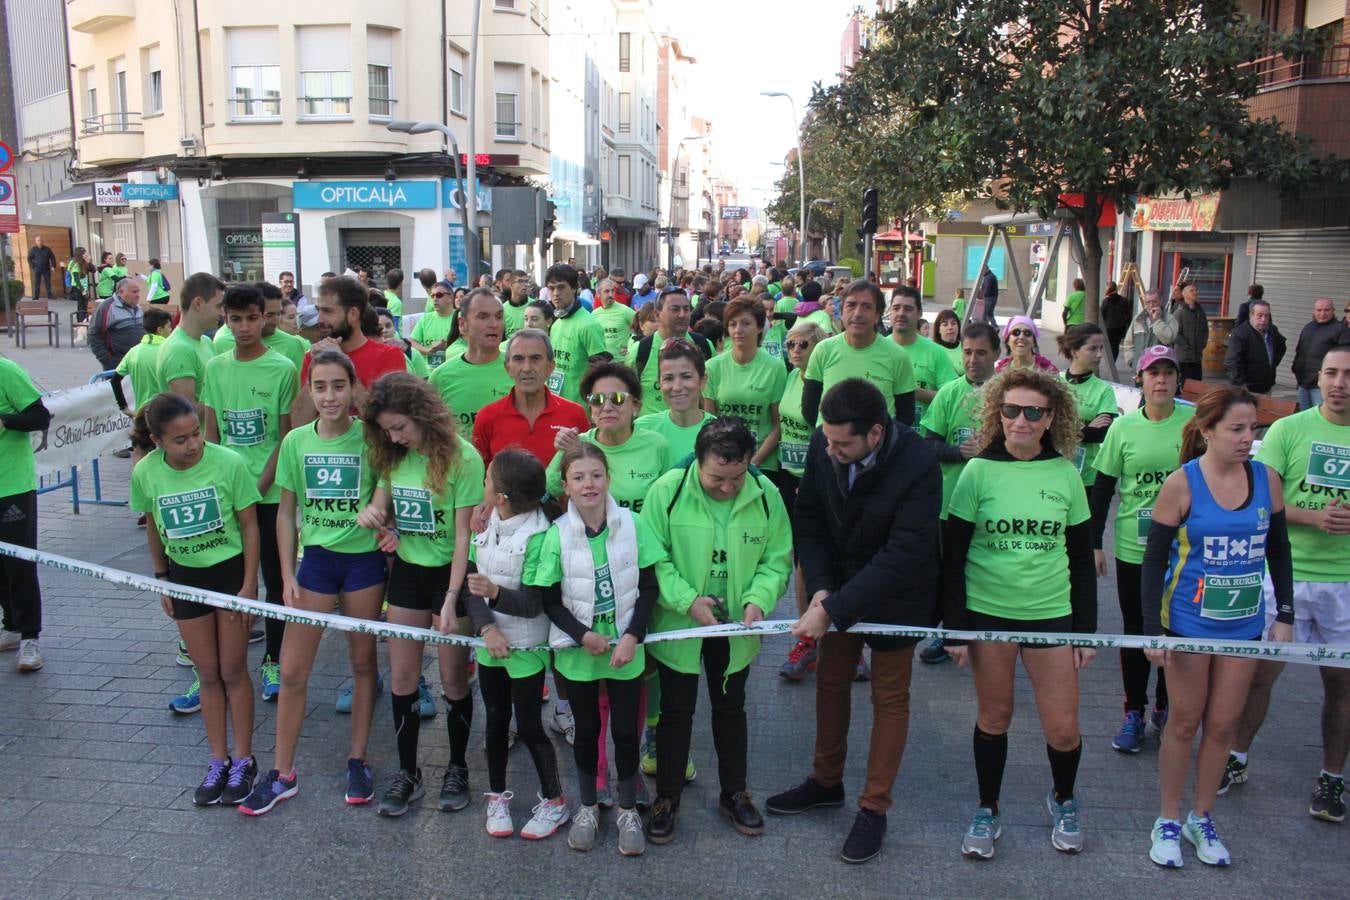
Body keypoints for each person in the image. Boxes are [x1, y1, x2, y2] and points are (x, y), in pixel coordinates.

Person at [768, 378, 941, 864]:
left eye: (843, 443)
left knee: (889, 696)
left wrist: (833, 609)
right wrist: (821, 588)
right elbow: (810, 521)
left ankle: (874, 807)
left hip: (898, 594)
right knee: (831, 680)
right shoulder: (827, 445)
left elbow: (905, 553)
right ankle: (825, 782)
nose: (831, 449)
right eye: (827, 438)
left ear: (877, 434)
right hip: (839, 586)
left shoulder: (919, 462)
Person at [942, 367, 1096, 859]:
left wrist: (1086, 633)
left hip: (1052, 615)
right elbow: (954, 555)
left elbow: (1081, 558)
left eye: (1034, 412)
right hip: (989, 614)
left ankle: (1064, 798)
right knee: (994, 717)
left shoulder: (1065, 472)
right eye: (1012, 410)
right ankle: (988, 808)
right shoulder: (977, 471)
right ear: (998, 414)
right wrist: (956, 630)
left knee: (1062, 727)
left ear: (1051, 418)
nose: (1022, 420)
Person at [1139, 385, 1294, 867]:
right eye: (1237, 429)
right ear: (1207, 431)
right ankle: (1166, 818)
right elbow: (1153, 559)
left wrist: (1284, 613)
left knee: (1223, 725)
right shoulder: (1182, 484)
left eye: (1254, 429)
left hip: (1243, 626)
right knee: (1184, 722)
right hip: (1188, 623)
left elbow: (1279, 548)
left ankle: (1200, 817)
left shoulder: (1267, 480)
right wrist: (1151, 631)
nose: (1249, 438)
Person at [237, 349, 388, 814]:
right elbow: (285, 512)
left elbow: (387, 496)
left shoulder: (372, 438)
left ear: (354, 388)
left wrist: (380, 512)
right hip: (315, 564)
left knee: (363, 665)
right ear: (308, 389)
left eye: (338, 386)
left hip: (363, 565)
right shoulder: (296, 442)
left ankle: (357, 760)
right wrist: (285, 573)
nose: (329, 396)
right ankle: (283, 772)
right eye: (320, 387)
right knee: (291, 670)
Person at [641, 417, 792, 844]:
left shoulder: (767, 495)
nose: (727, 487)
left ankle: (734, 792)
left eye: (737, 477)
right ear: (698, 461)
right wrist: (687, 600)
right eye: (716, 479)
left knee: (731, 710)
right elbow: (655, 556)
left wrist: (760, 598)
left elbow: (777, 558)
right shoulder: (667, 491)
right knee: (675, 712)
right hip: (681, 625)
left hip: (736, 628)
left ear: (749, 462)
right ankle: (667, 797)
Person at [1225, 345, 1350, 823]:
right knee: (1260, 675)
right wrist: (1315, 517)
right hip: (1288, 576)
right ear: (1318, 377)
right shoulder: (1290, 429)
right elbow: (1263, 500)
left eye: (1347, 375)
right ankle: (1236, 758)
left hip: (1343, 582)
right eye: (1331, 373)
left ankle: (1331, 778)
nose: (1339, 383)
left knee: (1341, 685)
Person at [357, 372, 486, 817]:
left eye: (401, 428)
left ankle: (456, 767)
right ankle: (408, 772)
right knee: (401, 678)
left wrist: (451, 599)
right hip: (409, 572)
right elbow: (381, 504)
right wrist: (376, 517)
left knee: (453, 678)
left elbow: (464, 538)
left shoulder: (464, 458)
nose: (395, 437)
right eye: (388, 430)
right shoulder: (393, 455)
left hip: (453, 576)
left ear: (422, 415)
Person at [129, 392, 261, 806]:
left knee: (233, 670)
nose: (193, 445)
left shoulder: (228, 463)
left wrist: (249, 584)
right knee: (206, 674)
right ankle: (217, 759)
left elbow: (249, 524)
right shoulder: (146, 473)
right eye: (180, 440)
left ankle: (243, 759)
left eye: (197, 434)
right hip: (185, 578)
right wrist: (163, 578)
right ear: (157, 441)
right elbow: (153, 525)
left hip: (229, 575)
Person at [535, 442, 662, 853]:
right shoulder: (556, 535)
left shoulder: (634, 524)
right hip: (580, 654)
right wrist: (582, 635)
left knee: (626, 731)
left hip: (625, 651)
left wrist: (631, 636)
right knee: (587, 731)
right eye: (578, 477)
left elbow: (649, 588)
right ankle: (588, 805)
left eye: (596, 475)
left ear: (608, 478)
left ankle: (627, 808)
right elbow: (549, 600)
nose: (589, 484)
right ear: (566, 487)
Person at [1089, 345, 1193, 753]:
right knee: (1138, 631)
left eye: (1168, 373)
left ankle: (1165, 709)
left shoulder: (1194, 423)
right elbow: (1102, 489)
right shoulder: (1124, 428)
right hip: (1134, 547)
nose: (1161, 380)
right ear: (1141, 380)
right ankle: (1133, 710)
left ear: (1177, 380)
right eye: (1153, 373)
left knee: (1175, 630)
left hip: (1183, 550)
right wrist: (1095, 543)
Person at [461, 449, 567, 839]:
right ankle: (497, 797)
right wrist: (488, 629)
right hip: (491, 647)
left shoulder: (542, 536)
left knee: (529, 726)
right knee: (495, 720)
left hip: (525, 649)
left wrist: (495, 594)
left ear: (502, 495)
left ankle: (555, 801)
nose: (483, 484)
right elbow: (472, 588)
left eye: (487, 478)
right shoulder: (486, 524)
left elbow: (538, 602)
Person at [201, 284, 298, 703]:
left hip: (270, 498)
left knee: (275, 583)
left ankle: (273, 659)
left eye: (252, 318)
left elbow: (285, 437)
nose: (244, 327)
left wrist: (259, 485)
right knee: (228, 583)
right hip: (227, 500)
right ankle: (221, 665)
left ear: (265, 318)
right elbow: (211, 433)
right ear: (225, 318)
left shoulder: (282, 368)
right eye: (235, 319)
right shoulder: (216, 368)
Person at [914, 322, 1001, 665]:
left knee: (987, 570)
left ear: (997, 354)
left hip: (996, 506)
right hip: (951, 504)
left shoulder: (1007, 393)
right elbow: (927, 445)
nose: (973, 359)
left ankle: (987, 634)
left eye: (981, 353)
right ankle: (949, 634)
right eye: (967, 352)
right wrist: (958, 452)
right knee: (951, 570)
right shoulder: (950, 392)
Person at [775, 322, 830, 681]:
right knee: (801, 560)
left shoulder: (824, 383)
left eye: (803, 344)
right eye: (791, 344)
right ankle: (807, 637)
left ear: (819, 347)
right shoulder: (791, 378)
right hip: (787, 476)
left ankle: (842, 640)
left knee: (826, 558)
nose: (795, 350)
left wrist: (811, 480)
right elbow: (782, 424)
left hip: (817, 482)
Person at [546, 363, 672, 512]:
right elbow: (552, 488)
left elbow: (669, 499)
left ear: (636, 406)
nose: (606, 407)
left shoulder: (656, 445)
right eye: (597, 400)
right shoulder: (578, 444)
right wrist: (565, 451)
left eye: (617, 399)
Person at [292, 275, 407, 425]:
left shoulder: (389, 355)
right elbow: (299, 423)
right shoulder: (315, 357)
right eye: (319, 311)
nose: (319, 320)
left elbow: (387, 422)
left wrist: (341, 363)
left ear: (352, 314)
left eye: (327, 311)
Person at [803, 280, 917, 427]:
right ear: (841, 312)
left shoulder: (898, 356)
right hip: (830, 445)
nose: (857, 313)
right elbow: (809, 410)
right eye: (851, 305)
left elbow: (906, 416)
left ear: (877, 316)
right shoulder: (823, 350)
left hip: (878, 448)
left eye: (867, 307)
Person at [472, 329, 591, 469]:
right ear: (507, 368)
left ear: (550, 367)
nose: (527, 368)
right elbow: (481, 478)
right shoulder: (487, 417)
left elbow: (587, 469)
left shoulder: (574, 414)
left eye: (535, 359)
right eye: (518, 359)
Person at [0, 358, 51, 672]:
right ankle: (11, 626)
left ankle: (30, 637)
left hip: (12, 485)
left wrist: (5, 420)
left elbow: (40, 417)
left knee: (18, 562)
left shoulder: (6, 371)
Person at [704, 298, 788, 478]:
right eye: (733, 324)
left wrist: (753, 463)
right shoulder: (713, 366)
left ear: (759, 327)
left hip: (762, 464)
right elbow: (710, 421)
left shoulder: (775, 368)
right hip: (722, 463)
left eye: (746, 323)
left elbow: (778, 425)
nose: (738, 330)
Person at [429, 288, 512, 440]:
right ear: (462, 324)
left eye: (499, 317)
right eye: (483, 317)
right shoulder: (440, 377)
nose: (494, 324)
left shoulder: (519, 369)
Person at [632, 288, 714, 417]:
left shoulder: (704, 345)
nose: (682, 315)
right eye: (675, 309)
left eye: (686, 309)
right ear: (657, 314)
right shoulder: (641, 350)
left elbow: (712, 393)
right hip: (651, 433)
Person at [634, 339, 717, 464]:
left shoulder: (719, 433)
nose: (677, 387)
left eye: (686, 377)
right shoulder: (640, 429)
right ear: (659, 383)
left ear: (702, 380)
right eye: (668, 378)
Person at [159, 273, 227, 418]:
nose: (222, 313)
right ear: (198, 303)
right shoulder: (178, 349)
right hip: (197, 440)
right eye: (218, 306)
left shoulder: (206, 342)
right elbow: (187, 412)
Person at [1058, 324, 1118, 486]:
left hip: (1088, 477)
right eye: (1092, 349)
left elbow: (1100, 434)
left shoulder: (1104, 390)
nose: (1099, 355)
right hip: (1054, 471)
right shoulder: (1055, 382)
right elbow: (1046, 428)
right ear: (1074, 351)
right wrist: (1086, 427)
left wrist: (1066, 427)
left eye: (1101, 348)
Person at [888, 286, 958, 422]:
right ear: (890, 311)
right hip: (885, 438)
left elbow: (952, 397)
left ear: (919, 313)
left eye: (908, 309)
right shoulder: (879, 349)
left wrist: (915, 393)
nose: (901, 313)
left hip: (923, 439)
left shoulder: (936, 352)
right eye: (896, 308)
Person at [543, 263, 610, 404]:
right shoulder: (556, 324)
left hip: (580, 408)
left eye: (561, 287)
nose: (556, 293)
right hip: (556, 403)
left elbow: (600, 374)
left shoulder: (589, 324)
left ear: (574, 288)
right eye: (551, 288)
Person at [212, 282, 310, 372]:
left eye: (279, 313)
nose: (276, 320)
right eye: (269, 315)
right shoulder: (223, 341)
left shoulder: (292, 345)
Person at [1289, 298, 1348, 410]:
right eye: (1319, 310)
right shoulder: (1308, 327)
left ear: (1333, 311)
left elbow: (1344, 360)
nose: (1322, 313)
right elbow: (1299, 351)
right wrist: (1295, 368)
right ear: (1314, 311)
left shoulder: (1340, 330)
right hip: (1303, 384)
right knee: (1305, 418)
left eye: (1326, 310)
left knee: (1322, 419)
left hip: (1321, 387)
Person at [113, 307, 173, 415]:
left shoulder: (133, 351)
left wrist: (124, 408)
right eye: (169, 326)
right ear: (160, 330)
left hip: (141, 416)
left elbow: (115, 380)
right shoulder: (171, 351)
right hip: (167, 416)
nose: (171, 330)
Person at [1224, 298, 1287, 394]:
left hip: (1267, 386)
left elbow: (1281, 346)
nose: (1263, 319)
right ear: (1251, 315)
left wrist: (1270, 365)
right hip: (1247, 389)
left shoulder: (1272, 330)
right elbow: (1231, 363)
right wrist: (1240, 385)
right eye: (1260, 315)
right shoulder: (1240, 334)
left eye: (1266, 316)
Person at [88, 277, 145, 371]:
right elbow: (93, 333)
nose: (138, 295)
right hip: (116, 363)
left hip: (137, 361)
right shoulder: (107, 307)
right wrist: (105, 359)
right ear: (121, 292)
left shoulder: (137, 307)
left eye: (138, 292)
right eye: (134, 292)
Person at [1119, 289, 1177, 371]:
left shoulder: (1170, 319)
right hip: (1140, 369)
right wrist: (1131, 361)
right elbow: (1128, 342)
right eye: (1148, 302)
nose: (1151, 305)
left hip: (1160, 369)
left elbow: (1168, 339)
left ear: (1160, 302)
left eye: (1154, 301)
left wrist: (1157, 321)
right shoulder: (1137, 319)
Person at [410, 279, 459, 370]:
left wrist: (447, 347)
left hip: (453, 372)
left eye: (439, 295)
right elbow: (412, 342)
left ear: (451, 297)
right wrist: (428, 351)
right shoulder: (425, 319)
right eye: (432, 296)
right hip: (429, 375)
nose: (435, 299)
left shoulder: (460, 318)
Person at [1172, 283, 1209, 384]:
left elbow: (1205, 329)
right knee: (1184, 383)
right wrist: (1186, 346)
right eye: (1192, 291)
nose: (1195, 293)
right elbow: (1175, 333)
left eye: (1196, 290)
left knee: (1196, 382)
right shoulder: (1179, 312)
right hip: (1184, 357)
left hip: (1197, 356)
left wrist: (1202, 344)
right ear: (1184, 294)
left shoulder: (1200, 311)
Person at [592, 278, 635, 362]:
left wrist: (631, 346)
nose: (611, 294)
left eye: (612, 291)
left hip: (620, 363)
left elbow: (643, 326)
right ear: (598, 294)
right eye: (607, 291)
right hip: (602, 363)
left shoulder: (625, 310)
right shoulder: (594, 314)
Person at [1101, 281, 1131, 360]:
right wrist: (1126, 325)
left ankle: (1110, 361)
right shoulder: (1124, 300)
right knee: (1115, 346)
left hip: (1108, 328)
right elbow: (1128, 315)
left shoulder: (1106, 301)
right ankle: (1113, 360)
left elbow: (1101, 315)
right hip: (1120, 328)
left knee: (1109, 346)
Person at [501, 269, 533, 339]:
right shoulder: (503, 309)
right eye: (520, 281)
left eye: (526, 282)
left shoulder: (534, 305)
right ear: (511, 284)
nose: (525, 285)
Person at [27, 235, 57, 300]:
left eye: (41, 240)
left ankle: (50, 295)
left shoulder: (47, 249)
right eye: (38, 240)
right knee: (37, 282)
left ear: (42, 241)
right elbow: (29, 258)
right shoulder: (33, 250)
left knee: (48, 282)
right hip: (37, 269)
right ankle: (36, 296)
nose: (40, 242)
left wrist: (53, 266)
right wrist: (32, 266)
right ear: (36, 242)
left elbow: (52, 258)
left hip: (46, 269)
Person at [67, 248, 92, 322]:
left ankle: (80, 322)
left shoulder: (83, 263)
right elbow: (77, 280)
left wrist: (88, 261)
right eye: (84, 254)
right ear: (80, 255)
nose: (86, 255)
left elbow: (93, 270)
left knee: (82, 306)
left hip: (83, 287)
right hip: (78, 288)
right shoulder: (75, 264)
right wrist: (83, 290)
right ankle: (81, 323)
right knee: (82, 307)